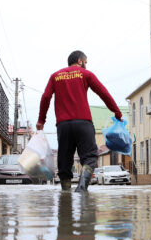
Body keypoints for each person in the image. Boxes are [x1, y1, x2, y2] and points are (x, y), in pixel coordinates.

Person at [37, 50, 122, 192]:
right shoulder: (86, 74)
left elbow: (46, 97)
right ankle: (82, 188)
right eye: (86, 62)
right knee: (90, 157)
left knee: (64, 160)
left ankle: (66, 196)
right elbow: (104, 93)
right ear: (80, 61)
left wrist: (41, 120)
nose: (86, 65)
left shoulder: (55, 76)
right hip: (83, 123)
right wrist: (117, 113)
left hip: (63, 125)